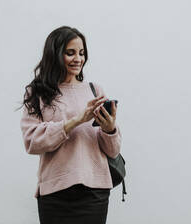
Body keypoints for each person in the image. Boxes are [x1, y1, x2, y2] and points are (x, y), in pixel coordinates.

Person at [18, 26, 122, 224]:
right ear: (55, 54)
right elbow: (32, 142)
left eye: (82, 53)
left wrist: (109, 129)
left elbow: (113, 150)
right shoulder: (37, 92)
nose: (78, 59)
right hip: (55, 193)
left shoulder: (94, 90)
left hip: (95, 192)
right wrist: (76, 121)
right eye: (70, 53)